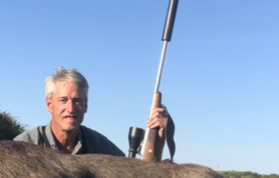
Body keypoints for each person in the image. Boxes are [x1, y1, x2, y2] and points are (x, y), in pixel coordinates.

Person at [15, 66, 173, 157]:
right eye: (63, 100)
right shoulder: (25, 145)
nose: (71, 109)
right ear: (49, 105)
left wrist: (158, 142)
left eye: (77, 101)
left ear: (86, 106)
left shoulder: (100, 146)